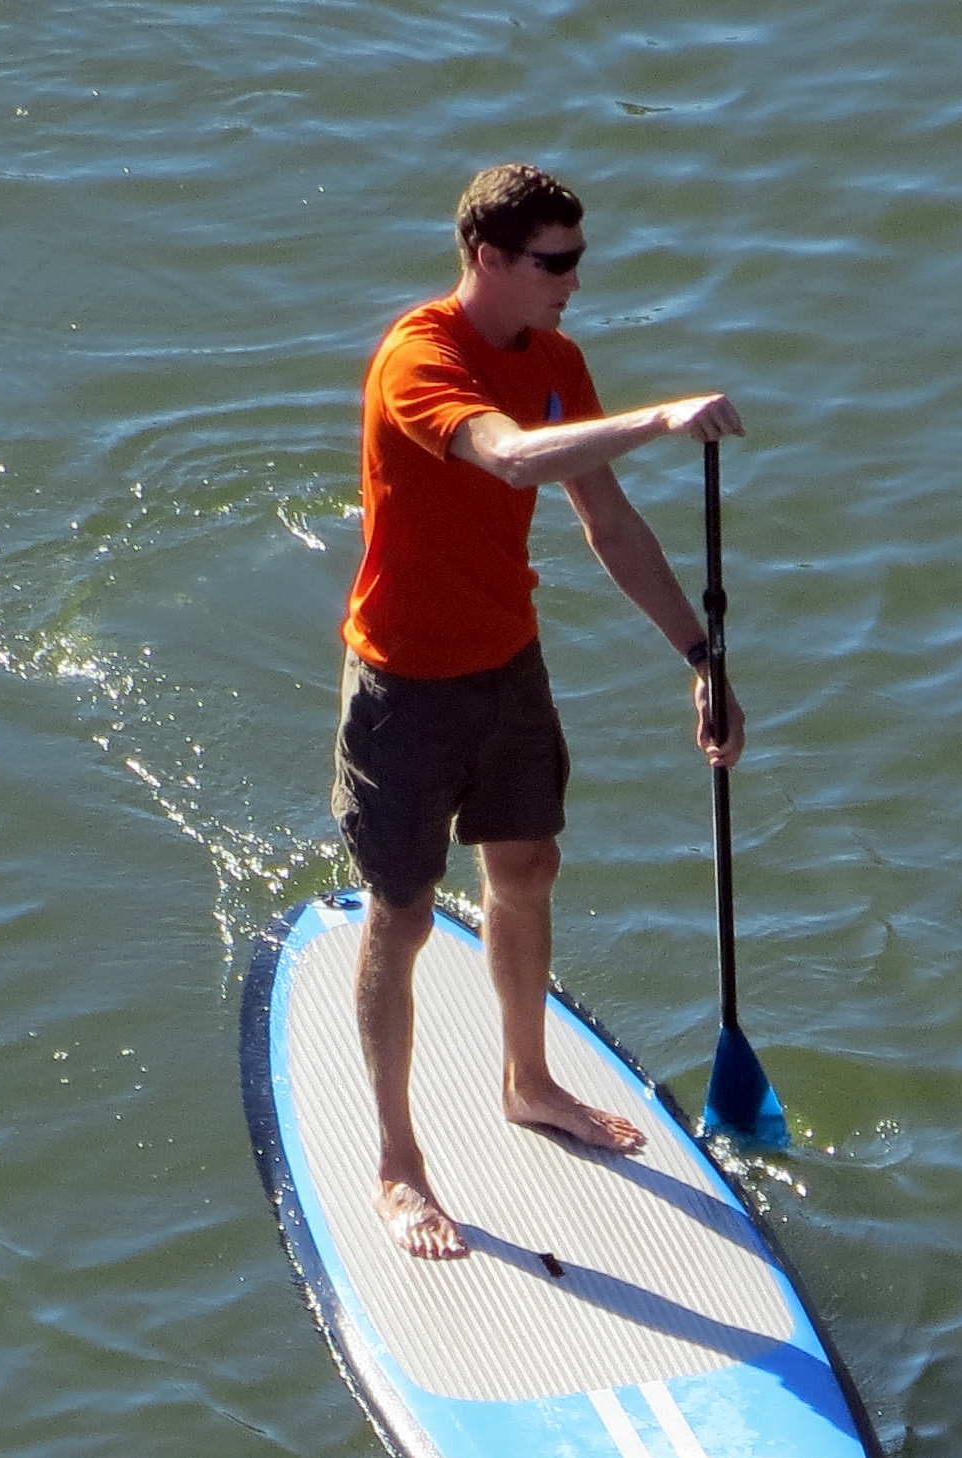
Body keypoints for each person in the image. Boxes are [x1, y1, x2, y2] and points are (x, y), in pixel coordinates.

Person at [333, 162, 745, 1262]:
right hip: (404, 685)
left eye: (577, 258)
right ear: (488, 259)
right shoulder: (417, 361)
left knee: (526, 868)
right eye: (553, 262)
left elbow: (603, 519)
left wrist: (699, 656)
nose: (572, 281)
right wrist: (660, 418)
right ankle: (396, 1162)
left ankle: (526, 1079)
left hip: (508, 667)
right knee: (405, 914)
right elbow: (509, 460)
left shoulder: (556, 361)